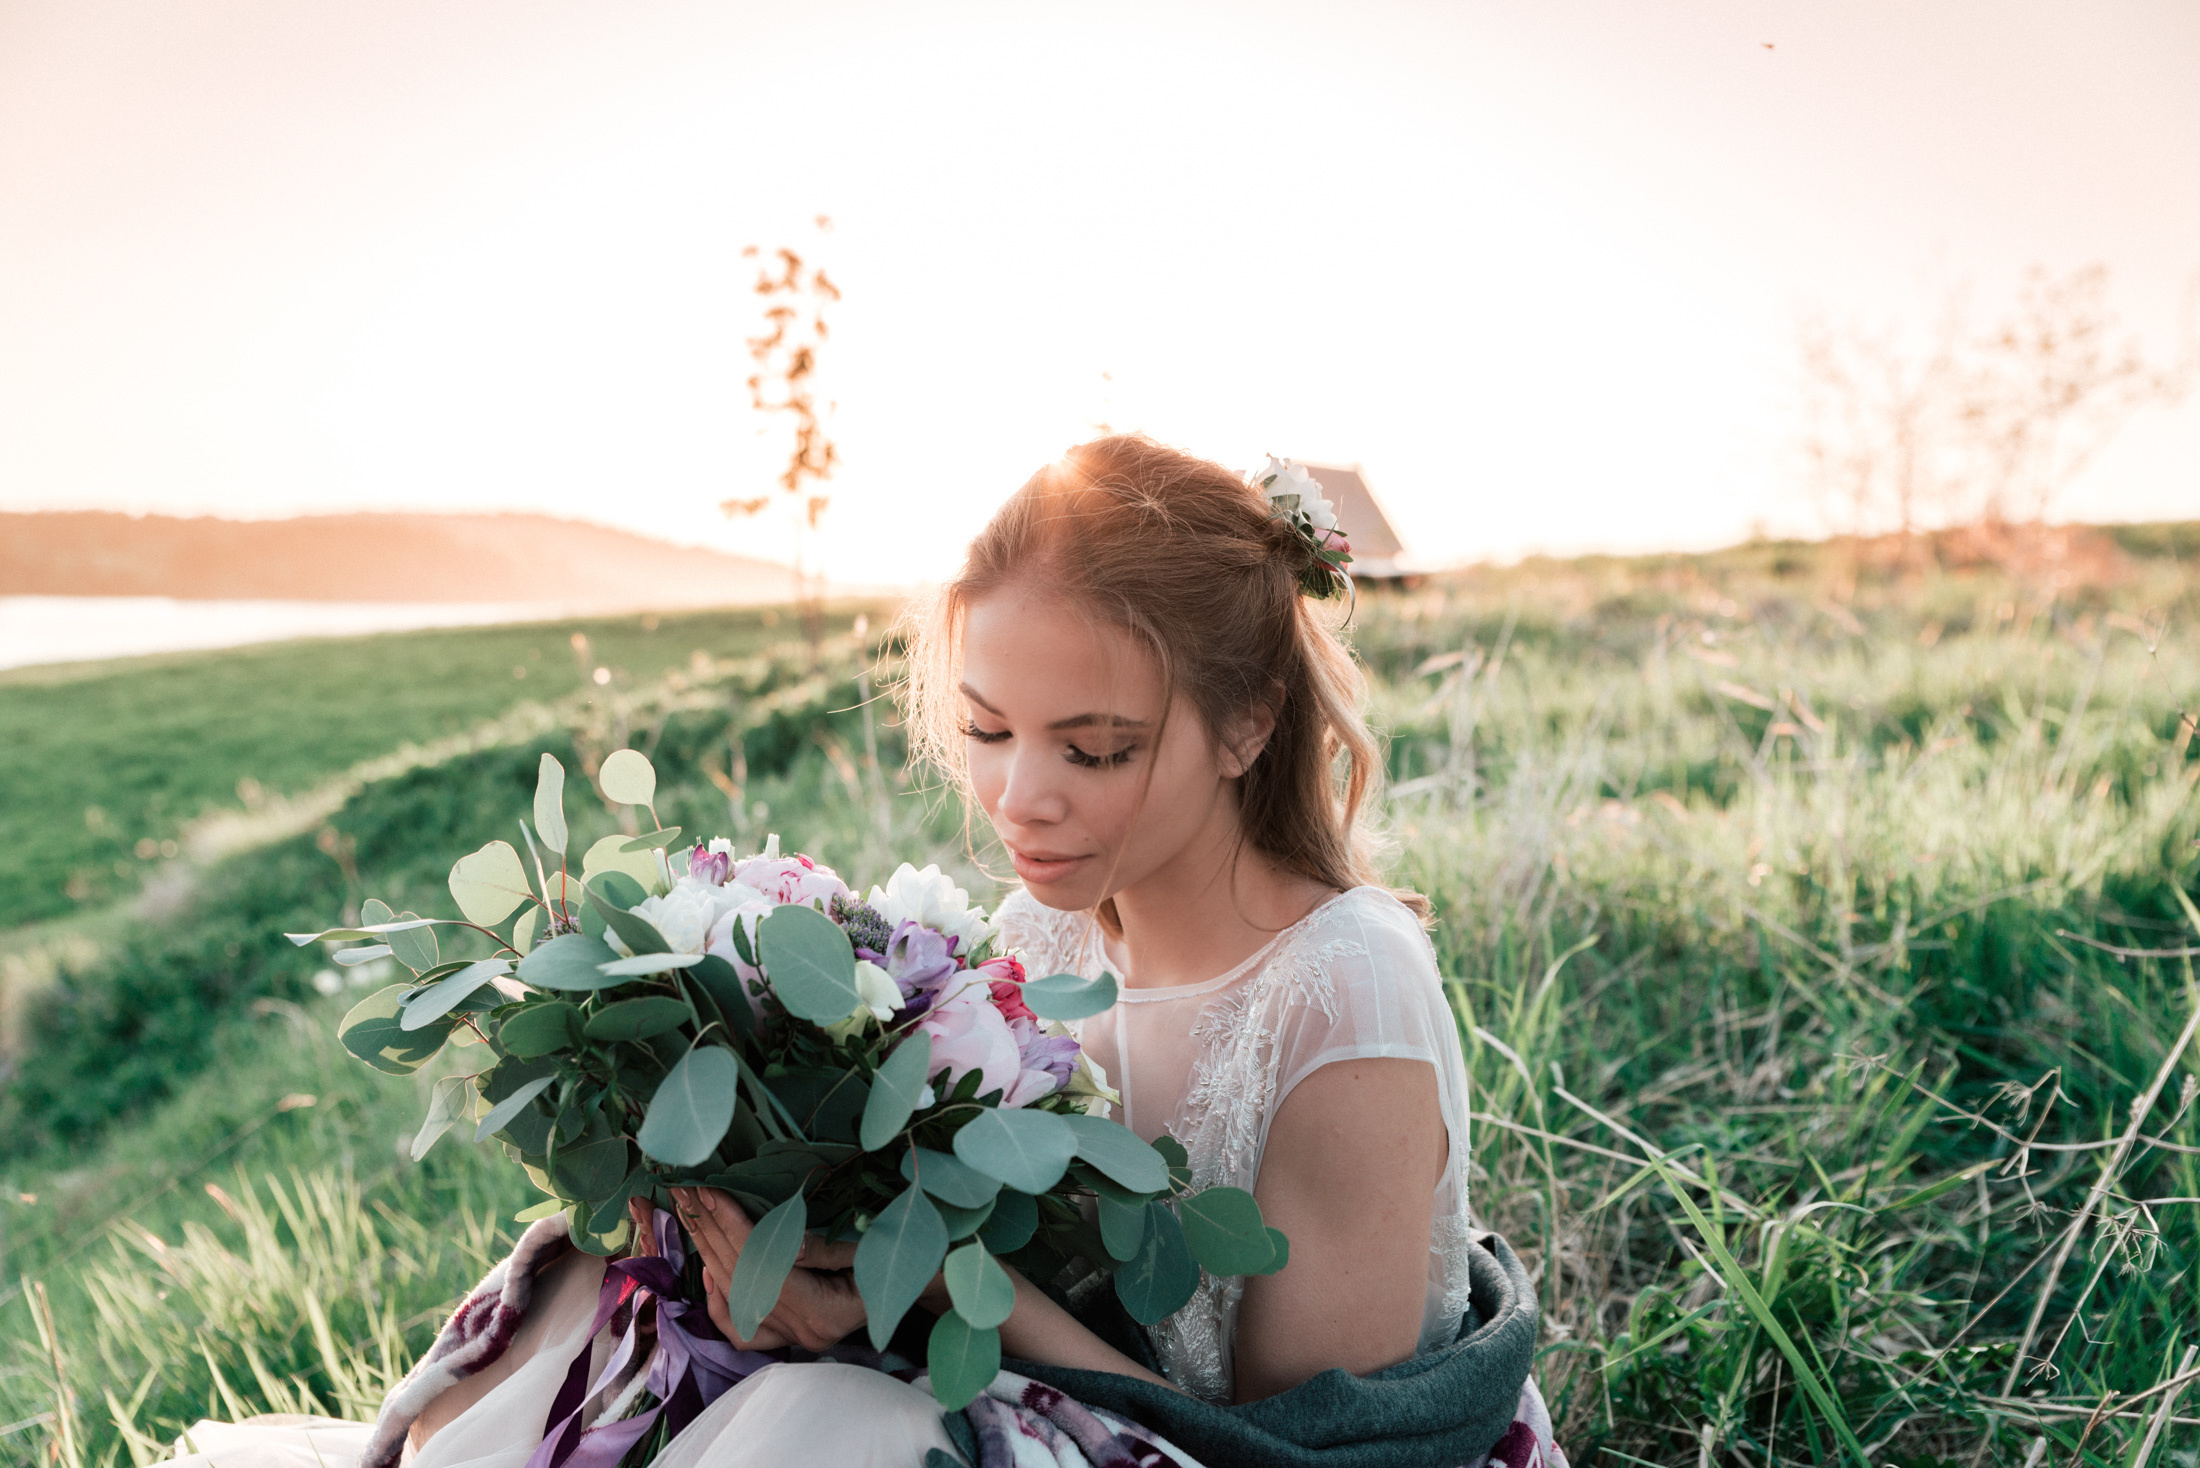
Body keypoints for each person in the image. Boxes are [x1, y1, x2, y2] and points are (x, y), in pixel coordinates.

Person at [170, 436, 1548, 1468]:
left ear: (1246, 724)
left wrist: (958, 1302)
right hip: (1071, 1404)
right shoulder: (1043, 933)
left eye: (1096, 747)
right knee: (610, 1287)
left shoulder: (1338, 986)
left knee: (828, 1425)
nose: (1021, 797)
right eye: (992, 728)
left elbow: (1302, 1454)